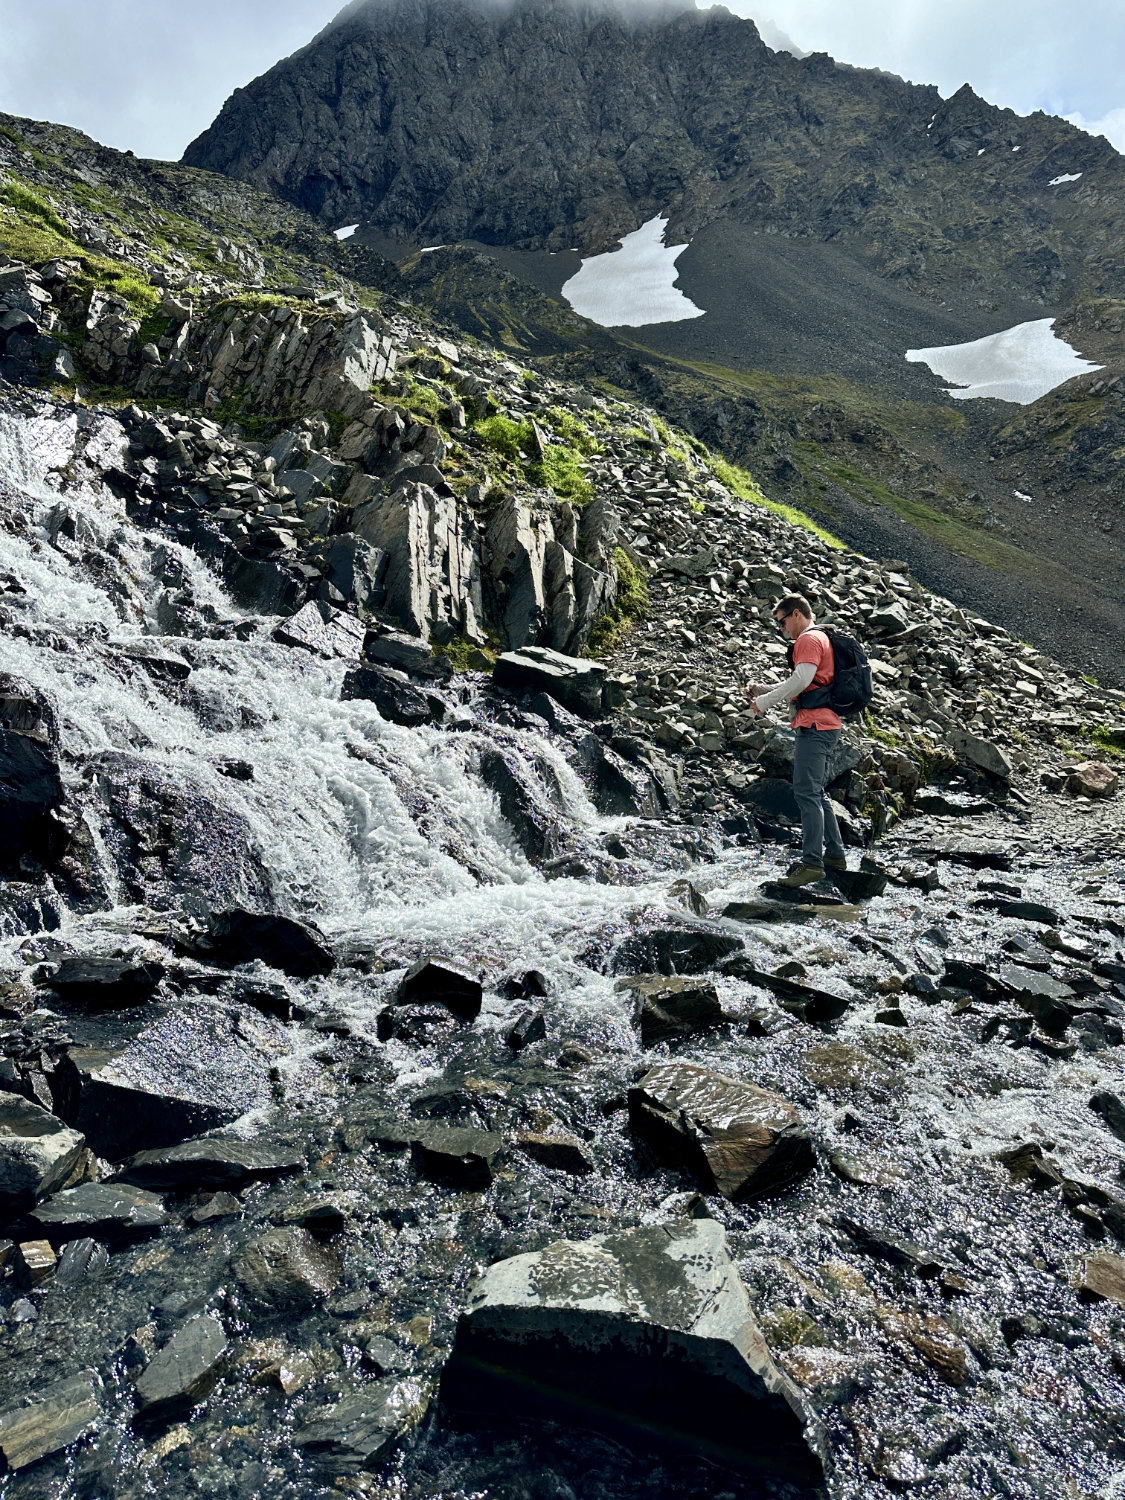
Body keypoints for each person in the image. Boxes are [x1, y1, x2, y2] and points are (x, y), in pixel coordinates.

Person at [745, 594, 848, 887]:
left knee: (806, 793)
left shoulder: (807, 640)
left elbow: (801, 680)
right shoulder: (821, 638)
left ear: (797, 614)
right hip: (825, 724)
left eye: (782, 621)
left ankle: (812, 863)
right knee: (817, 792)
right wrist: (763, 690)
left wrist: (764, 701)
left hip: (815, 725)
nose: (782, 629)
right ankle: (835, 856)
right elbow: (805, 683)